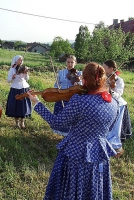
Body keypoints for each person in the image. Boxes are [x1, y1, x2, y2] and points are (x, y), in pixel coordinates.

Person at [27, 62, 119, 199]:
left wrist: (37, 103)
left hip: (75, 153)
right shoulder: (113, 103)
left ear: (85, 80)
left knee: (72, 189)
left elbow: (57, 123)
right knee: (93, 189)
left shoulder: (79, 101)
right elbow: (110, 128)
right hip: (100, 153)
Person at [103, 59, 132, 157]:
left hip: (118, 106)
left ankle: (115, 147)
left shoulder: (119, 80)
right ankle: (105, 145)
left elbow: (118, 94)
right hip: (106, 105)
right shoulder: (103, 77)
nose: (102, 69)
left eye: (104, 67)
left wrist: (109, 89)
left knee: (115, 127)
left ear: (111, 69)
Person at [53, 55, 82, 136]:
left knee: (70, 117)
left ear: (75, 63)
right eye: (68, 62)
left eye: (72, 62)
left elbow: (82, 87)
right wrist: (57, 90)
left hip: (72, 99)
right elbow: (56, 85)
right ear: (66, 62)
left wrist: (78, 83)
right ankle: (61, 133)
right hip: (61, 96)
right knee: (60, 116)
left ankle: (69, 135)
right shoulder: (61, 72)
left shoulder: (79, 74)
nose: (70, 64)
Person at [5, 55, 32, 129]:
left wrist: (26, 74)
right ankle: (16, 122)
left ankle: (22, 122)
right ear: (16, 60)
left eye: (22, 60)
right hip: (15, 88)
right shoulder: (12, 69)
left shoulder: (24, 68)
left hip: (24, 88)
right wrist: (12, 77)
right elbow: (8, 80)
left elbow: (27, 79)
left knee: (23, 105)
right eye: (20, 60)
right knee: (15, 105)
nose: (21, 61)